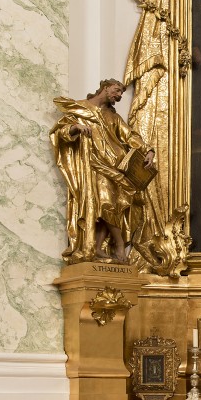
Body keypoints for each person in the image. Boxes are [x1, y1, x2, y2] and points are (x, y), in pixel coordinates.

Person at [50, 79, 156, 263]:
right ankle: (119, 244)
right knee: (104, 203)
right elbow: (60, 132)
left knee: (113, 205)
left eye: (122, 93)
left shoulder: (113, 117)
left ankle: (98, 247)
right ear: (105, 88)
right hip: (92, 164)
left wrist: (148, 151)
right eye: (116, 91)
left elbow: (130, 136)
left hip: (115, 166)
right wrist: (76, 127)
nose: (119, 96)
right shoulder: (79, 109)